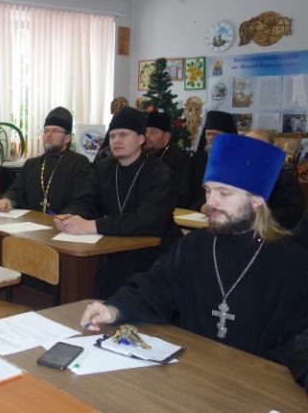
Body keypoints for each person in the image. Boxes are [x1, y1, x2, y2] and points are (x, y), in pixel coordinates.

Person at [80, 134, 308, 366]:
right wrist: (115, 309)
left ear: (257, 199)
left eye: (224, 193)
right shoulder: (195, 245)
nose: (211, 202)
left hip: (256, 379)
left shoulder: (292, 263)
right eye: (208, 191)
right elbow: (156, 286)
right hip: (193, 368)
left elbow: (297, 346)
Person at [55, 107, 182, 298]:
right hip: (115, 247)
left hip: (153, 254)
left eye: (123, 135)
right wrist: (70, 215)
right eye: (113, 135)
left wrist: (92, 225)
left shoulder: (159, 173)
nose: (116, 140)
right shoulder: (103, 168)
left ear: (141, 139)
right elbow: (86, 200)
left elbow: (147, 221)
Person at [0, 107, 90, 214]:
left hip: (62, 222)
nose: (48, 135)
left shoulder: (79, 163)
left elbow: (82, 201)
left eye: (54, 131)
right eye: (46, 131)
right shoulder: (31, 164)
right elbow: (16, 191)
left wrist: (67, 216)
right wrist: (7, 200)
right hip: (31, 221)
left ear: (67, 138)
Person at [245, 130, 305, 230]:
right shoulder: (235, 172)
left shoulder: (283, 177)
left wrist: (257, 215)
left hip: (266, 230)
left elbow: (293, 212)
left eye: (258, 147)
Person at [188, 110, 237, 210]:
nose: (210, 138)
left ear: (227, 136)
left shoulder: (236, 160)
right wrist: (201, 205)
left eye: (215, 134)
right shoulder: (199, 158)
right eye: (208, 134)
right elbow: (190, 189)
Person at [143, 111, 192, 208]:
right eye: (145, 132)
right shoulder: (142, 155)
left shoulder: (179, 158)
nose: (147, 136)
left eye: (153, 132)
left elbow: (182, 195)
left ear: (166, 137)